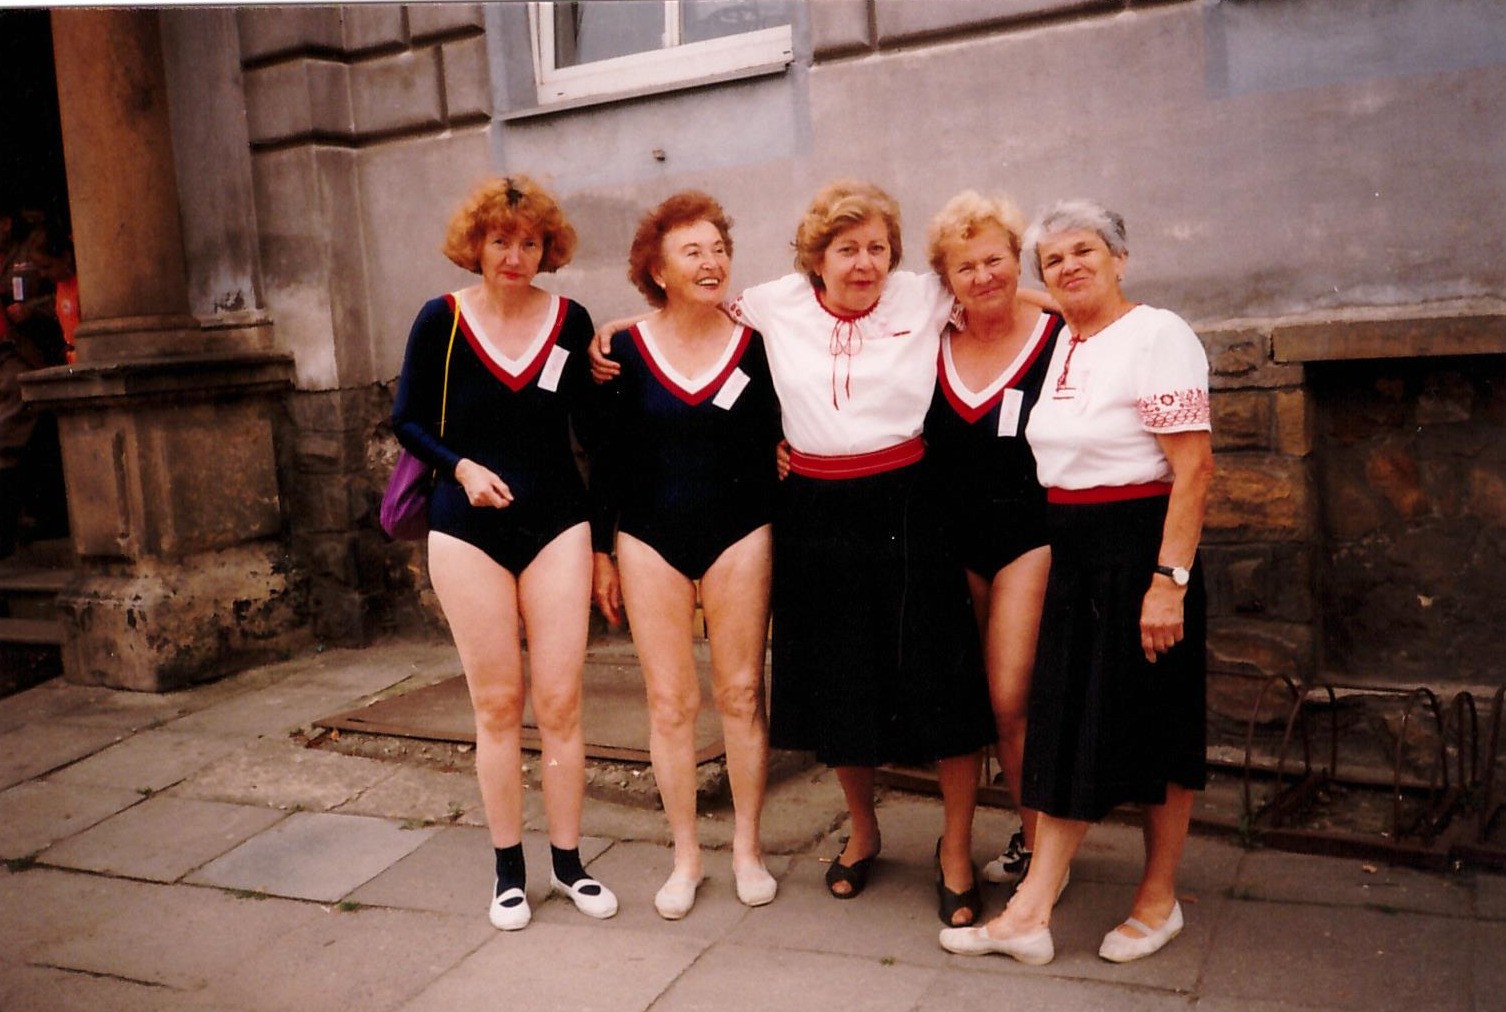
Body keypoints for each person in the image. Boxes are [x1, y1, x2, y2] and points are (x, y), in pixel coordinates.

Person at [598, 180, 997, 927]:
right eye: (847, 249)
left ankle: (955, 851)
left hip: (907, 503)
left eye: (876, 248)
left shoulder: (922, 296)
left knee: (940, 681)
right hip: (818, 509)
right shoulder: (775, 305)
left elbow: (1000, 293)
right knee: (843, 684)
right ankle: (863, 831)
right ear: (817, 258)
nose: (864, 263)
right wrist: (619, 325)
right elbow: (689, 311)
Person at [940, 198, 1213, 966]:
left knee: (1159, 725)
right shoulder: (1066, 338)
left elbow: (1194, 468)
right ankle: (1030, 913)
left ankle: (1158, 900)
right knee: (1066, 727)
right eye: (1053, 259)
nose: (1068, 267)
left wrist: (1169, 582)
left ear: (1120, 258)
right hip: (1073, 551)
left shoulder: (1157, 334)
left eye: (1084, 251)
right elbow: (1020, 295)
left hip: (1142, 550)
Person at [391, 175, 618, 931]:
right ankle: (509, 871)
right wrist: (460, 467)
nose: (514, 256)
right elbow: (407, 419)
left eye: (528, 243)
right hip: (467, 528)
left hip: (557, 526)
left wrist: (609, 362)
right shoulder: (443, 319)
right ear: (476, 246)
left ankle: (569, 862)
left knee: (560, 703)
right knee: (496, 706)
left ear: (546, 249)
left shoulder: (570, 320)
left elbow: (595, 434)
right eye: (500, 241)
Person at [588, 192, 783, 920]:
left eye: (719, 249)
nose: (712, 262)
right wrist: (602, 550)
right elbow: (606, 460)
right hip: (649, 539)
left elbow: (782, 430)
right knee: (671, 703)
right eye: (692, 251)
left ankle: (747, 850)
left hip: (741, 534)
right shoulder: (622, 353)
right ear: (658, 270)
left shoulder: (758, 344)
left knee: (741, 694)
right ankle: (686, 857)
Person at [922, 191, 1067, 895]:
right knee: (961, 701)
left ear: (1017, 259)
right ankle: (1008, 834)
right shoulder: (930, 343)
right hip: (950, 541)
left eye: (995, 260)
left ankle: (1041, 853)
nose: (982, 277)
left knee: (1010, 699)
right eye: (965, 267)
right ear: (945, 279)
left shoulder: (1058, 334)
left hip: (1027, 538)